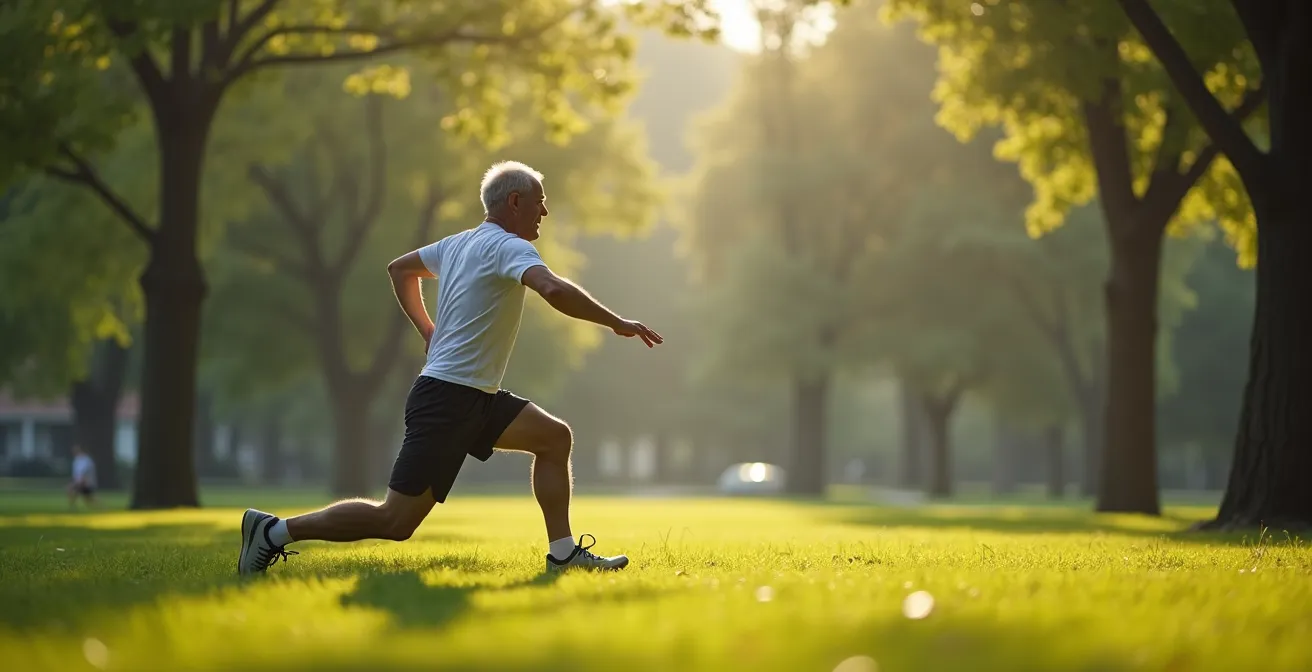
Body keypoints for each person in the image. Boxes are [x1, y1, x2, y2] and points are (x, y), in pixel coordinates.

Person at [238, 161, 662, 576]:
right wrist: (615, 322)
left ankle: (563, 555)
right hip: (448, 398)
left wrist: (427, 329)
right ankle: (273, 532)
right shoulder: (509, 247)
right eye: (540, 202)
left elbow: (400, 269)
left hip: (473, 396)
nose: (545, 212)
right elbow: (551, 288)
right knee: (394, 522)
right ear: (515, 201)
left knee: (553, 438)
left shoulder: (457, 244)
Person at [67, 444, 97, 508]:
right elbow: (76, 473)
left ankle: (72, 506)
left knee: (87, 498)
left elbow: (86, 473)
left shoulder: (87, 460)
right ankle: (72, 506)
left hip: (86, 482)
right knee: (88, 498)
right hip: (79, 481)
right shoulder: (76, 460)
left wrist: (81, 481)